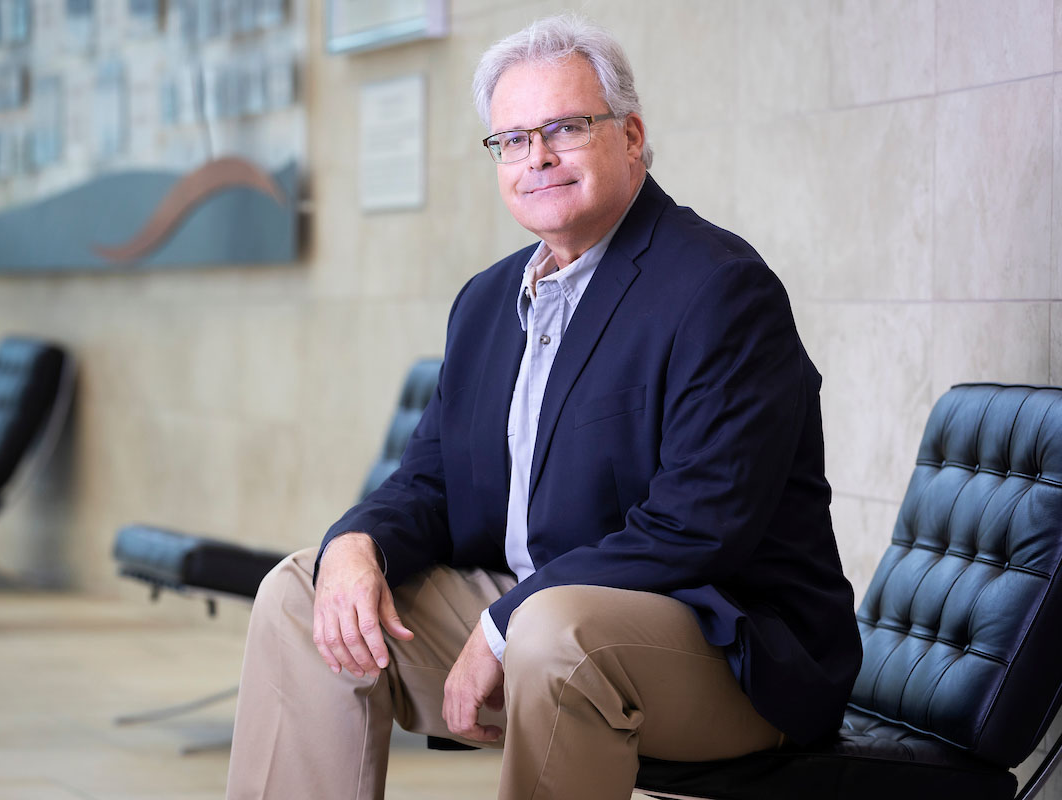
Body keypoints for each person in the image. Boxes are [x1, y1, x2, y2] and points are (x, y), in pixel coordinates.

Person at [226, 14, 862, 800]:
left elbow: (700, 524)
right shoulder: (489, 301)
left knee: (555, 636)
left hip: (727, 645)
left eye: (565, 128)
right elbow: (431, 481)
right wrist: (355, 543)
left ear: (630, 137)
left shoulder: (719, 289)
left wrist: (502, 626)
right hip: (539, 613)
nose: (539, 157)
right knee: (303, 594)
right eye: (514, 139)